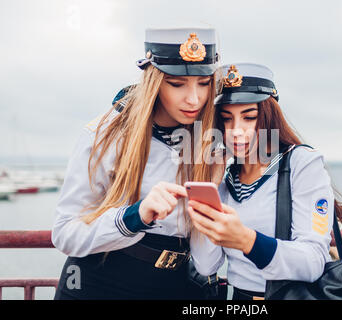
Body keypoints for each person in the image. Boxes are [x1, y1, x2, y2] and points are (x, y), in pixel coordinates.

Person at [52, 25, 221, 299]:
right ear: (153, 81)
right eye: (177, 84)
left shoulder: (215, 143)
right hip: (99, 283)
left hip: (174, 286)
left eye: (204, 84)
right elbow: (65, 234)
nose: (194, 99)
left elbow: (206, 262)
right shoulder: (105, 133)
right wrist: (135, 216)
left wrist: (214, 193)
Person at [188, 63, 342, 300]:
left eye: (249, 117)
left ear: (270, 116)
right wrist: (212, 184)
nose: (236, 131)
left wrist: (247, 240)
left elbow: (312, 261)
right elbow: (206, 265)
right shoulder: (226, 177)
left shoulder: (302, 163)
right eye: (226, 119)